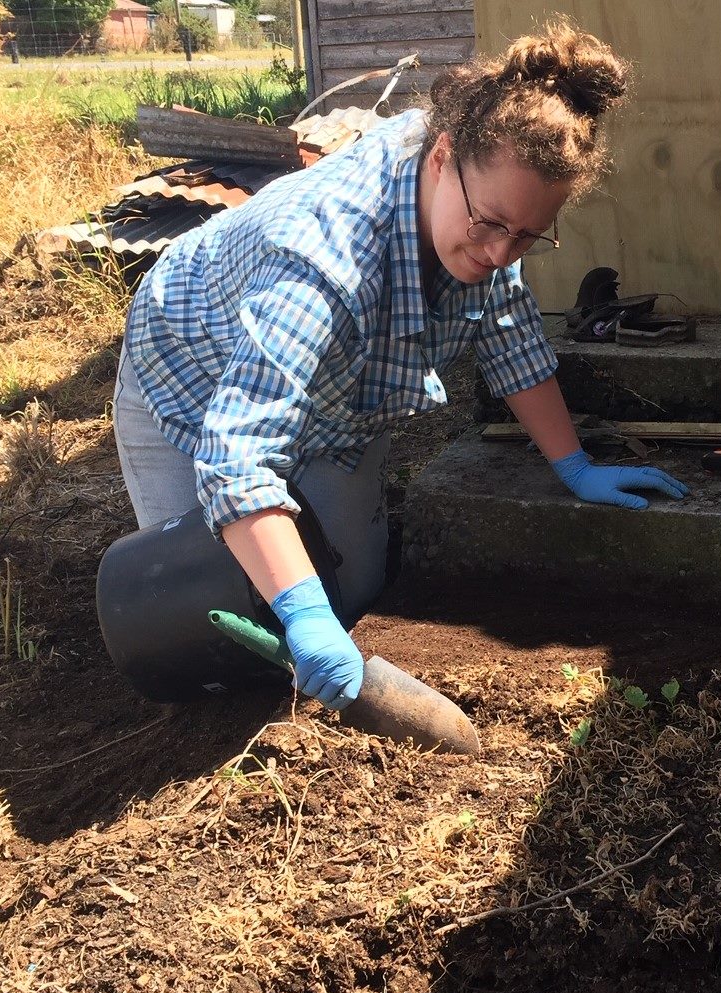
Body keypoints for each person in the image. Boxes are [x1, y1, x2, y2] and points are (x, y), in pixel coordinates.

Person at [112, 22, 688, 715]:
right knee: (218, 603)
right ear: (442, 157)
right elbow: (235, 458)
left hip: (335, 402)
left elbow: (508, 335)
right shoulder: (322, 253)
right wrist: (300, 610)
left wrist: (575, 465)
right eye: (492, 225)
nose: (503, 252)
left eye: (528, 236)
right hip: (191, 375)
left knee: (351, 589)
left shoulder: (481, 201)